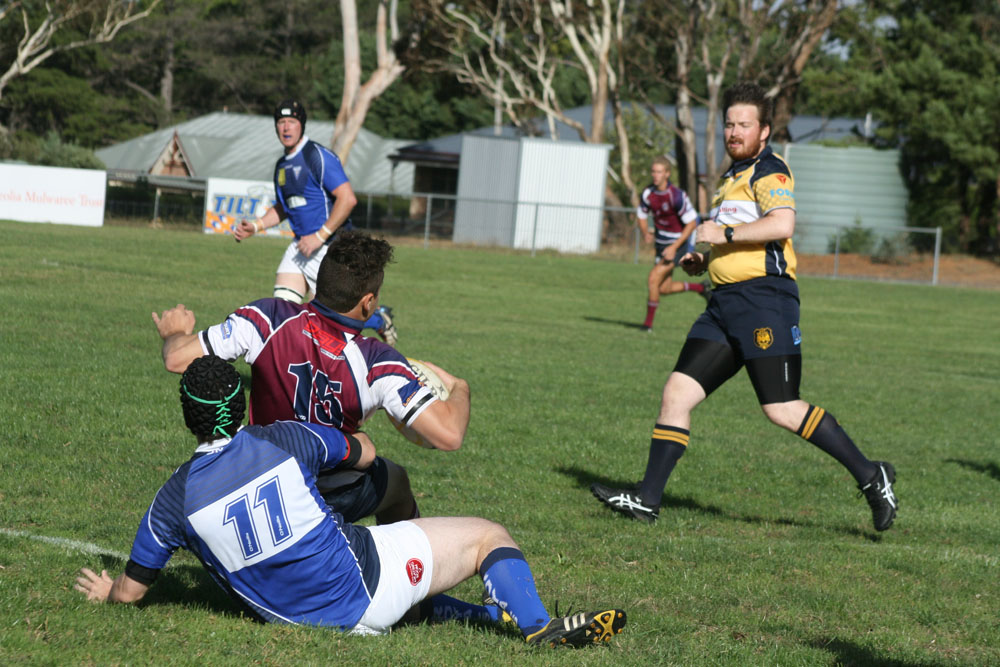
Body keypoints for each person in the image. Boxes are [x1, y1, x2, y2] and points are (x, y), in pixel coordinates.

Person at [73, 355, 626, 647]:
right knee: (488, 534)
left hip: (300, 625)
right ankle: (537, 625)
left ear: (186, 415)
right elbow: (365, 454)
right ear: (240, 404)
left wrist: (108, 593)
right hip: (365, 587)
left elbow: (132, 592)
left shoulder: (171, 501)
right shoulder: (283, 438)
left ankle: (485, 617)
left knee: (403, 583)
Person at [592, 82, 898, 531]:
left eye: (744, 125)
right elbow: (735, 238)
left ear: (764, 130)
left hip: (764, 303)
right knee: (677, 393)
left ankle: (872, 476)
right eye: (729, 124)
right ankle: (647, 499)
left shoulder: (770, 169)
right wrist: (706, 260)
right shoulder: (730, 178)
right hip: (723, 305)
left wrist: (724, 235)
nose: (734, 132)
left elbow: (782, 223)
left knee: (781, 407)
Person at [152, 231, 469, 525]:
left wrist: (175, 333)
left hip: (260, 481)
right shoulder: (379, 362)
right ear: (369, 302)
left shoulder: (267, 318)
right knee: (396, 482)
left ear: (320, 281)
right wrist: (460, 388)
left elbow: (176, 357)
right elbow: (449, 435)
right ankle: (406, 562)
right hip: (331, 492)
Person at [231, 98, 397, 345]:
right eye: (281, 122)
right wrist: (255, 226)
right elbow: (284, 207)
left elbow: (347, 199)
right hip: (301, 247)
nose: (286, 127)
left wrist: (319, 237)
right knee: (282, 313)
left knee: (330, 320)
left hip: (330, 248)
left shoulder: (316, 156)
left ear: (302, 125)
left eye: (291, 121)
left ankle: (378, 319)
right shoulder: (282, 165)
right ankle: (288, 362)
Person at [636, 156, 710, 333]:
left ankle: (647, 326)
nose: (655, 175)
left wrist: (674, 247)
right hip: (661, 245)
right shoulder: (648, 194)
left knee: (653, 279)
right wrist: (645, 232)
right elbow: (641, 215)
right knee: (663, 287)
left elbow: (692, 223)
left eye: (659, 172)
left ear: (667, 174)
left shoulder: (676, 196)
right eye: (653, 171)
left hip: (678, 244)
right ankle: (701, 288)